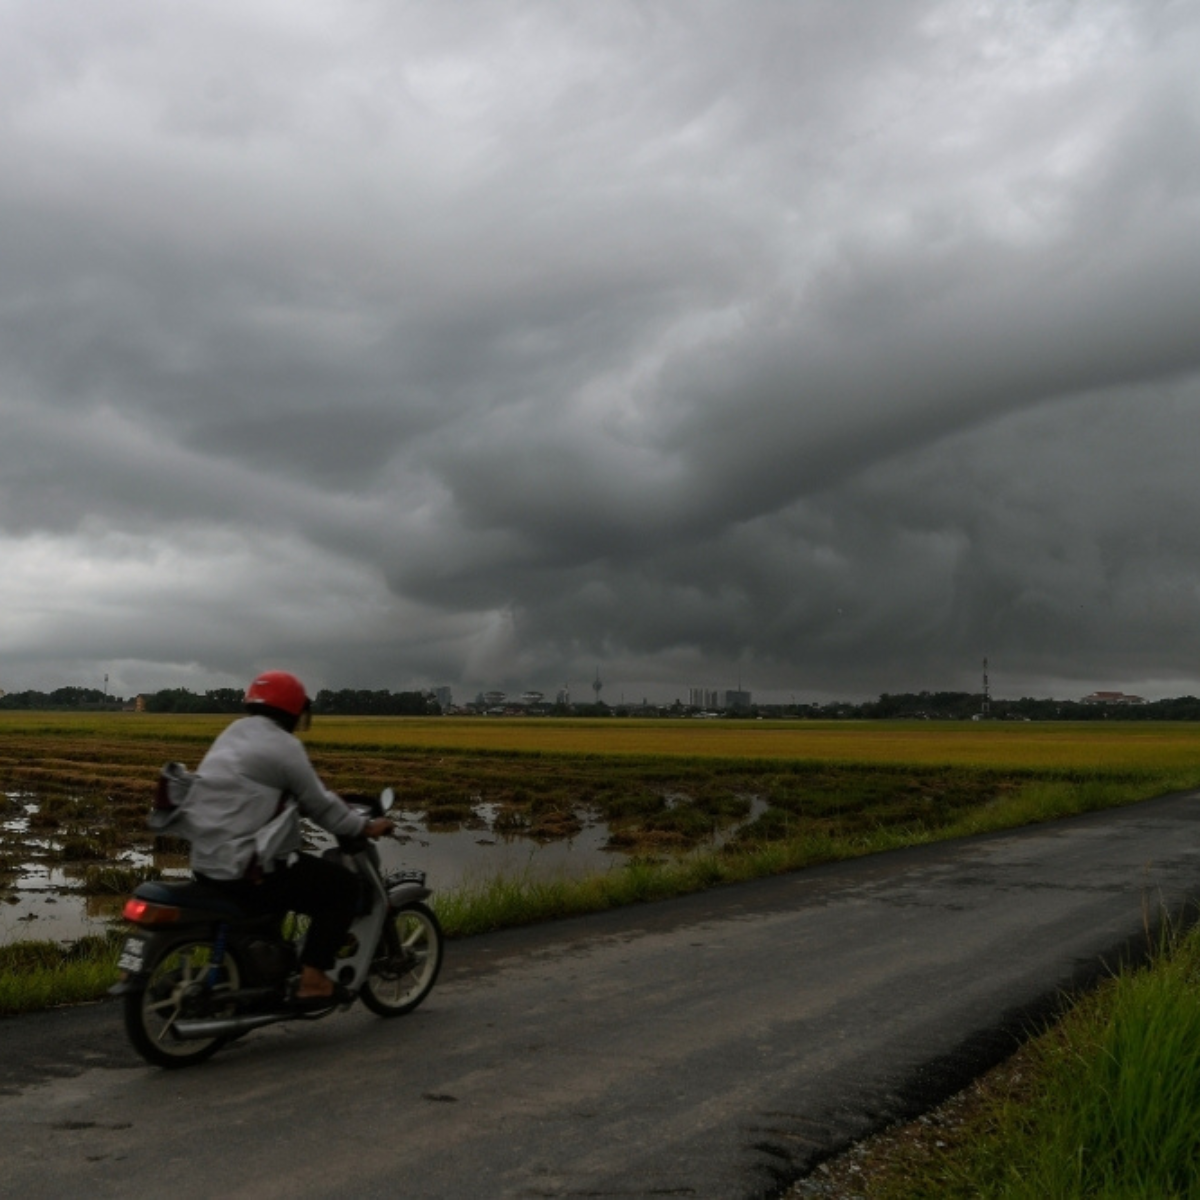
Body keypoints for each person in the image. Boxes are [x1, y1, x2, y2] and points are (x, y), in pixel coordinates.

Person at [182, 669, 392, 1006]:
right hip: (247, 868)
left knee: (287, 888)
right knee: (343, 889)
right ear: (293, 711)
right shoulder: (283, 745)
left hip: (207, 860)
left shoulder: (234, 733)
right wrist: (364, 827)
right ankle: (313, 980)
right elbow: (320, 805)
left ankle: (265, 968)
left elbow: (264, 793)